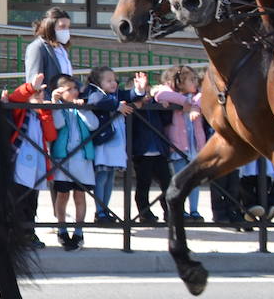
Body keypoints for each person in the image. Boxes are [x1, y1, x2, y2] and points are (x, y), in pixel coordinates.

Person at [83, 67, 148, 225]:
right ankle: (100, 211)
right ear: (98, 82)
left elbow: (130, 95)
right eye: (109, 81)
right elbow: (97, 101)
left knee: (110, 177)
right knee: (102, 177)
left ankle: (106, 210)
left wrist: (139, 89)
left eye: (114, 80)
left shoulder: (116, 94)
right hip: (104, 142)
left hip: (117, 141)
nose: (113, 83)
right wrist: (117, 106)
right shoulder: (94, 92)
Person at [47, 75, 98, 250]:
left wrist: (84, 110)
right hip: (63, 158)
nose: (75, 92)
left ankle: (79, 231)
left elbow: (94, 125)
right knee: (62, 194)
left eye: (75, 88)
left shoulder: (82, 107)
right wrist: (56, 105)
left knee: (79, 195)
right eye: (69, 89)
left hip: (82, 158)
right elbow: (58, 124)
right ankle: (62, 228)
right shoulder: (59, 108)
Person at [5, 74, 55, 248]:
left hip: (37, 166)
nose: (40, 97)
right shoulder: (21, 112)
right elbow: (15, 98)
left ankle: (29, 233)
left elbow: (50, 135)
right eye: (36, 95)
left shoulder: (41, 115)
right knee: (17, 200)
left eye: (42, 94)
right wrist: (30, 87)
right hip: (19, 164)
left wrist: (46, 113)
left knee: (32, 202)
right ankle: (15, 234)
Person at [157, 65, 206, 221]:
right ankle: (180, 210)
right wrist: (186, 102)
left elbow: (202, 98)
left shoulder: (197, 97)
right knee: (179, 180)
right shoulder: (170, 95)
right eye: (191, 79)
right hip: (178, 146)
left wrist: (194, 106)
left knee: (194, 181)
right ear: (179, 82)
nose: (195, 82)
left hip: (195, 147)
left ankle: (194, 210)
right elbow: (160, 93)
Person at [133, 68, 179, 224]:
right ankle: (145, 213)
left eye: (147, 91)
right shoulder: (134, 107)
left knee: (167, 184)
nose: (145, 96)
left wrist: (165, 107)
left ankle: (169, 212)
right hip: (142, 152)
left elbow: (166, 121)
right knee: (143, 185)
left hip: (159, 151)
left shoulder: (155, 103)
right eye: (142, 92)